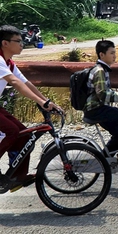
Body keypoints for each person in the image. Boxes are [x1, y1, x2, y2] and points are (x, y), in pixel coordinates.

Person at [1, 25, 63, 189]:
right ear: (5, 43)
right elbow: (15, 83)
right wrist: (42, 103)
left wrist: (47, 101)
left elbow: (26, 83)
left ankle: (17, 177)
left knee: (24, 135)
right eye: (18, 41)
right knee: (12, 131)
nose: (22, 44)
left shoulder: (10, 63)